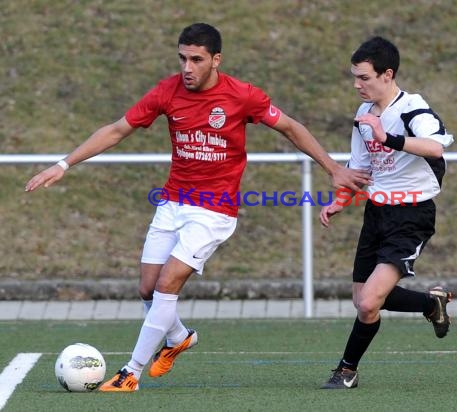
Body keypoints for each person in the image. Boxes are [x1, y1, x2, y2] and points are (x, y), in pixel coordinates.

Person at [25, 23, 370, 392]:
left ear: (215, 60)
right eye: (182, 58)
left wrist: (333, 168)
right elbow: (116, 129)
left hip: (214, 210)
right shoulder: (167, 91)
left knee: (168, 283)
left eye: (196, 60)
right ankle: (179, 338)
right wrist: (63, 164)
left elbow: (290, 127)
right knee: (147, 288)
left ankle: (131, 373)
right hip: (172, 202)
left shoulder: (242, 95)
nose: (187, 67)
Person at [319, 36, 455, 389]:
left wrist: (388, 137)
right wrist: (341, 199)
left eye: (363, 77)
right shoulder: (363, 117)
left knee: (368, 302)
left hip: (411, 216)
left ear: (387, 74)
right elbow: (360, 169)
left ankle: (346, 371)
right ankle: (431, 304)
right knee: (363, 301)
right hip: (376, 214)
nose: (356, 84)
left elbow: (435, 147)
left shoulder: (413, 109)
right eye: (355, 77)